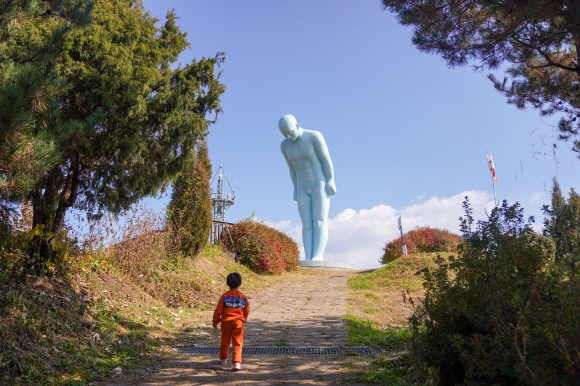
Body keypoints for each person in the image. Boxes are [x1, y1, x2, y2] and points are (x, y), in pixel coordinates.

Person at [279, 114, 336, 261]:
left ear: (297, 126)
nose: (289, 136)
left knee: (318, 220)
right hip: (302, 186)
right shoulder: (285, 146)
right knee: (306, 223)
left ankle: (318, 255)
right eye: (285, 134)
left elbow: (325, 160)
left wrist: (330, 180)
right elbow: (292, 169)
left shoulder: (314, 137)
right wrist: (295, 188)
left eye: (291, 132)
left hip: (319, 184)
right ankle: (309, 256)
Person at [212, 272, 250, 371]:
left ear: (227, 283)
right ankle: (237, 362)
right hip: (238, 322)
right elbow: (246, 310)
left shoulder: (224, 296)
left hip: (226, 322)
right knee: (238, 342)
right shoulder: (243, 296)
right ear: (240, 283)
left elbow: (218, 310)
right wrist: (243, 319)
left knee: (225, 340)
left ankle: (224, 358)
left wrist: (215, 321)